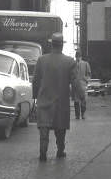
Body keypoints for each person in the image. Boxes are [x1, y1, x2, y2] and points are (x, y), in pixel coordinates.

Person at [32, 33, 83, 161]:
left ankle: (43, 152)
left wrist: (35, 96)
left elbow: (36, 81)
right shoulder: (69, 62)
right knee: (60, 130)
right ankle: (60, 150)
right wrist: (82, 96)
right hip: (61, 102)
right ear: (62, 46)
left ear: (51, 44)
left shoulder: (41, 60)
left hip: (44, 100)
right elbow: (76, 82)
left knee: (44, 128)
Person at [73, 50, 91, 119]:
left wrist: (86, 80)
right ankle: (77, 115)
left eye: (79, 57)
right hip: (75, 85)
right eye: (77, 57)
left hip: (83, 85)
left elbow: (89, 73)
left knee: (83, 101)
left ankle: (83, 114)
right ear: (75, 57)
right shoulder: (73, 64)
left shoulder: (86, 64)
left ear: (81, 57)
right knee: (76, 101)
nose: (78, 58)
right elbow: (71, 74)